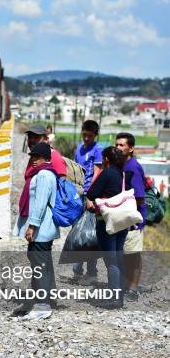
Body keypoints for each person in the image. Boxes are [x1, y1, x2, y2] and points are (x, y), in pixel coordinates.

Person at [14, 143, 60, 320]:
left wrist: (32, 225)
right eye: (32, 156)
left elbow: (40, 203)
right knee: (42, 264)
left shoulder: (44, 175)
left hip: (41, 229)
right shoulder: (45, 174)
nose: (32, 160)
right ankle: (41, 300)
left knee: (39, 265)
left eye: (36, 157)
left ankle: (42, 306)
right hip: (44, 228)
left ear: (45, 158)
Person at [85, 147, 133, 309]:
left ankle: (114, 299)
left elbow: (91, 193)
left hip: (107, 221)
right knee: (118, 257)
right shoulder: (124, 174)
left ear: (106, 159)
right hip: (123, 221)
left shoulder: (106, 173)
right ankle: (119, 296)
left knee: (110, 260)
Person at [115, 133, 146, 301]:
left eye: (122, 145)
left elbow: (140, 197)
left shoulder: (132, 167)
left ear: (131, 148)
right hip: (124, 217)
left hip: (133, 219)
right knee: (125, 253)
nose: (118, 148)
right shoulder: (121, 165)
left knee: (133, 255)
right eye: (117, 145)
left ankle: (133, 289)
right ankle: (127, 285)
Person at [72, 120, 103, 284]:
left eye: (89, 136)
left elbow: (97, 174)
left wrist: (90, 196)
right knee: (77, 231)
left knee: (90, 234)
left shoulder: (98, 151)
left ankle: (92, 272)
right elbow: (75, 169)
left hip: (90, 196)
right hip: (77, 193)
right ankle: (78, 267)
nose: (86, 138)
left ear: (95, 135)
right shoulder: (79, 148)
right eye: (84, 135)